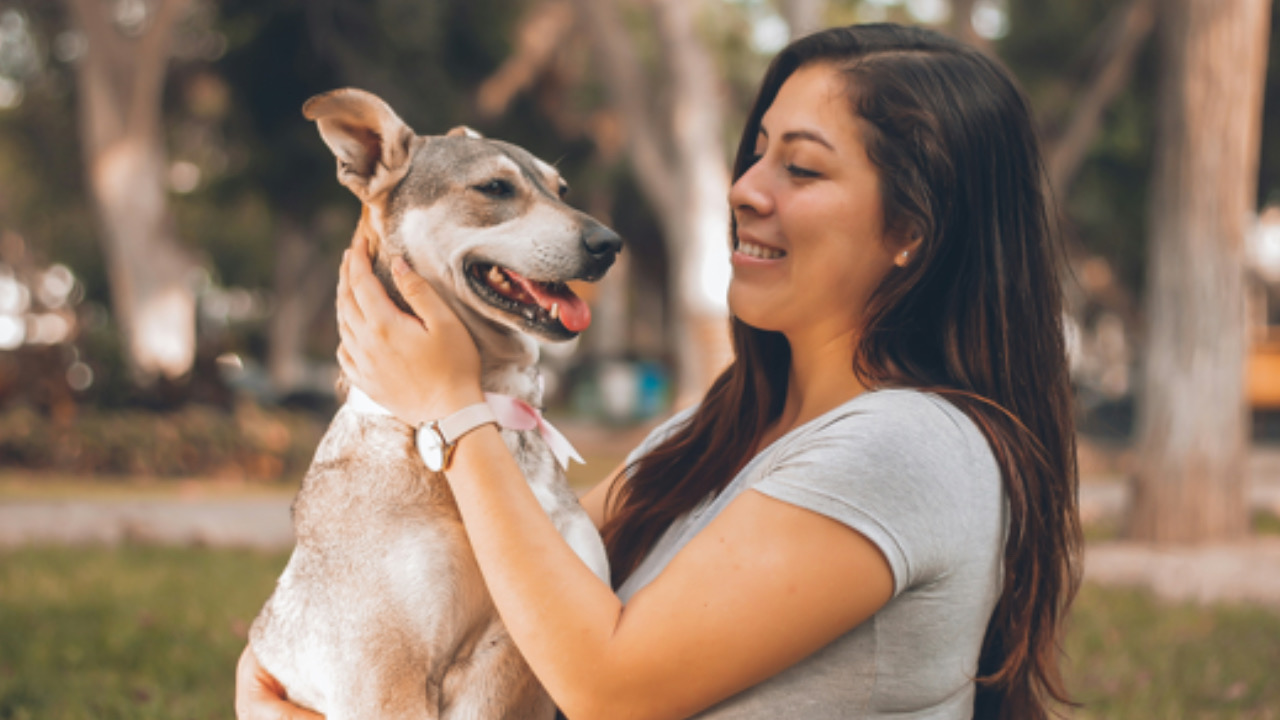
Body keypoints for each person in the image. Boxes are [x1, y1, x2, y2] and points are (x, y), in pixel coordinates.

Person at [237, 22, 1082, 720]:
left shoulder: (908, 448)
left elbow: (609, 688)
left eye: (803, 166)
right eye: (755, 154)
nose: (745, 189)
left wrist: (454, 406)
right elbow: (501, 575)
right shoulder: (710, 432)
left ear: (914, 234)